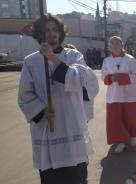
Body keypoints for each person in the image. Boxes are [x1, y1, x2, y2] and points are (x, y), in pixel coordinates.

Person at [18, 14, 99, 184]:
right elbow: (25, 96)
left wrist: (53, 59)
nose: (51, 34)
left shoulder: (74, 56)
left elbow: (79, 79)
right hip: (47, 129)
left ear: (61, 33)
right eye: (46, 30)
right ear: (39, 34)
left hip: (71, 127)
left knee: (77, 177)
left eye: (55, 30)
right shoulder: (30, 62)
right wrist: (41, 110)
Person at [101, 36, 136, 153]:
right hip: (114, 96)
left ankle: (133, 136)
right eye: (112, 43)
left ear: (122, 45)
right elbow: (103, 76)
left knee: (130, 117)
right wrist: (111, 78)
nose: (114, 45)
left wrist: (122, 77)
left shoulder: (130, 59)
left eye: (117, 43)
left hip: (130, 95)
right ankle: (121, 141)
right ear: (109, 47)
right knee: (116, 119)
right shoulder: (107, 61)